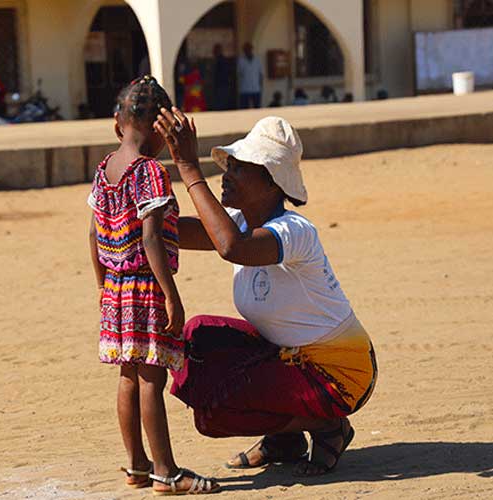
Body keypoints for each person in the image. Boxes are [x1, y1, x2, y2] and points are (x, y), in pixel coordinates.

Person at [153, 109, 377, 477]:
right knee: (198, 336)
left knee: (215, 412)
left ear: (272, 182)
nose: (227, 176)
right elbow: (179, 232)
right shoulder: (241, 222)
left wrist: (189, 167)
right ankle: (284, 438)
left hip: (339, 373)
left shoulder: (294, 230)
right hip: (288, 357)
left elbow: (231, 247)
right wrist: (131, 208)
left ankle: (326, 425)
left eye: (238, 168)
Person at [87, 76, 219, 495]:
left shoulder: (104, 168)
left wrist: (103, 286)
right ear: (163, 133)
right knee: (152, 380)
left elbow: (92, 234)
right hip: (145, 288)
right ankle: (167, 471)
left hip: (115, 289)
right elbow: (150, 238)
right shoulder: (151, 173)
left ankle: (137, 465)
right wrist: (170, 295)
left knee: (127, 375)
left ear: (116, 124)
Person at [237, 42, 263, 109]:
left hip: (256, 89)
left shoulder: (257, 60)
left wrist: (261, 87)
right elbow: (238, 74)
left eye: (249, 49)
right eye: (246, 49)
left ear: (252, 49)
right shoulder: (241, 60)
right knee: (244, 109)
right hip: (244, 89)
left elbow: (261, 74)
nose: (247, 51)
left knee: (257, 108)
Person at [212, 44, 230, 111]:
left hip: (222, 84)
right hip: (221, 84)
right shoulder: (219, 59)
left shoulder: (221, 60)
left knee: (221, 101)